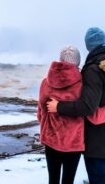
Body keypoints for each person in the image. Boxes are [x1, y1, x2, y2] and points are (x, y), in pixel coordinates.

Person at [46, 27, 105, 184]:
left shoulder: (92, 70)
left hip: (95, 142)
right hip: (76, 141)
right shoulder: (88, 75)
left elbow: (87, 106)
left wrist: (58, 108)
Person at [38, 46, 84, 184]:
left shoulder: (46, 82)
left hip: (51, 137)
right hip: (73, 140)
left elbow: (41, 109)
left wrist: (44, 126)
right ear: (77, 62)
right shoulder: (82, 83)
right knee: (68, 180)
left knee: (53, 179)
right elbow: (84, 109)